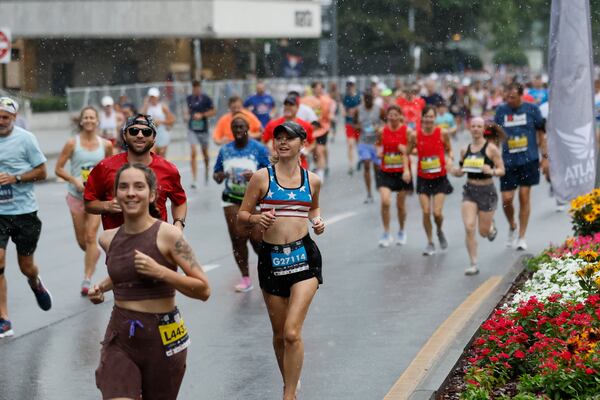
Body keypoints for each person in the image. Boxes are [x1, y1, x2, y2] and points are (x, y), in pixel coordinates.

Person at [88, 163, 210, 399]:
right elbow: (126, 271)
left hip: (162, 337)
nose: (131, 192)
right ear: (116, 194)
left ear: (152, 194)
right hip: (120, 337)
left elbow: (204, 289)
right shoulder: (108, 238)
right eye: (123, 187)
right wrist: (101, 288)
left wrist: (161, 272)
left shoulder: (168, 235)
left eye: (139, 186)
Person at [238, 120, 325, 400]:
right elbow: (242, 216)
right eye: (279, 138)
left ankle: (289, 395)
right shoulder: (262, 178)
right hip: (271, 259)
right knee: (278, 335)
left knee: (291, 332)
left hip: (304, 260)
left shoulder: (312, 180)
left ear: (303, 143)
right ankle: (290, 381)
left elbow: (314, 207)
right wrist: (256, 218)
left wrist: (317, 221)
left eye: (290, 138)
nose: (283, 142)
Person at [0, 97, 52, 338]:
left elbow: (43, 171)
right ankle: (4, 319)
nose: (1, 121)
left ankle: (35, 283)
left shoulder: (25, 139)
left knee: (26, 266)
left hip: (24, 213)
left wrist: (16, 178)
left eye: (5, 118)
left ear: (14, 118)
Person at [84, 114, 187, 231]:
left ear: (154, 137)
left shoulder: (168, 170)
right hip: (118, 245)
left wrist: (178, 224)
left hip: (157, 244)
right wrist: (107, 206)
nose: (139, 135)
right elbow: (89, 203)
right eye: (133, 131)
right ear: (124, 135)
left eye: (146, 132)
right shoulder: (105, 167)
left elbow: (180, 201)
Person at [54, 106, 113, 295]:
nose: (88, 120)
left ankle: (87, 279)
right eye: (85, 117)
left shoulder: (106, 145)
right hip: (76, 196)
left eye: (92, 117)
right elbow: (58, 169)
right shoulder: (72, 143)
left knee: (90, 237)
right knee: (83, 242)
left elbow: (110, 170)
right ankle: (93, 253)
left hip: (96, 198)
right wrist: (74, 179)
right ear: (81, 121)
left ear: (97, 121)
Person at [214, 114, 270, 292]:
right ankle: (246, 278)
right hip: (231, 199)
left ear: (248, 129)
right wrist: (220, 175)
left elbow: (269, 175)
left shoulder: (259, 149)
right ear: (231, 130)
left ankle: (268, 271)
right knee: (238, 237)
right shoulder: (225, 150)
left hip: (255, 200)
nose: (238, 130)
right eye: (235, 127)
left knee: (257, 239)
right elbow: (216, 175)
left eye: (241, 127)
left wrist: (254, 177)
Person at [494, 83, 547, 251]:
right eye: (507, 97)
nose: (509, 100)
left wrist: (544, 156)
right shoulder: (501, 111)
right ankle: (512, 225)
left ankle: (522, 236)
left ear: (520, 96)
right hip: (508, 161)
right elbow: (495, 135)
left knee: (524, 196)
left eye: (513, 97)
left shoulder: (532, 109)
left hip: (528, 159)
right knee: (507, 199)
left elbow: (541, 132)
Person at [451, 117, 505, 275]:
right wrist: (455, 171)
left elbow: (502, 170)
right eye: (473, 126)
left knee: (483, 232)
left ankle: (490, 227)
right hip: (470, 190)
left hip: (487, 190)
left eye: (478, 126)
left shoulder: (491, 149)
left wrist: (492, 171)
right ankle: (473, 263)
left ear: (483, 129)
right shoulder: (464, 149)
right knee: (469, 227)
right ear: (469, 128)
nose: (475, 129)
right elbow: (461, 170)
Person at [407, 106, 454, 256]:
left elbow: (449, 149)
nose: (428, 119)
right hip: (423, 179)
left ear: (435, 118)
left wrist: (450, 159)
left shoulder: (442, 133)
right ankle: (430, 242)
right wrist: (407, 167)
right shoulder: (415, 135)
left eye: (431, 116)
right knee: (426, 212)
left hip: (440, 178)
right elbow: (408, 152)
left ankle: (439, 230)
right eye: (425, 116)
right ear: (422, 118)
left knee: (437, 213)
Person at [376, 106, 413, 247]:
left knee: (400, 206)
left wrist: (406, 151)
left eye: (395, 115)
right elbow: (378, 144)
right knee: (385, 201)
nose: (392, 117)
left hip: (402, 172)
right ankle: (386, 232)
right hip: (385, 171)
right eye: (390, 115)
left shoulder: (407, 131)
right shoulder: (382, 131)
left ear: (400, 116)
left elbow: (411, 150)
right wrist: (379, 152)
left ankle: (402, 231)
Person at [262, 94, 315, 170]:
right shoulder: (272, 124)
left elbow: (313, 142)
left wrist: (307, 150)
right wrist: (271, 151)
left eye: (291, 105)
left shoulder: (305, 125)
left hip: (299, 166)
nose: (288, 107)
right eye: (286, 104)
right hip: (277, 165)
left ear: (297, 107)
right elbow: (264, 141)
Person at [301, 81, 334, 180]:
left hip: (322, 129)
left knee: (320, 150)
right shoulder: (306, 100)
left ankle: (321, 174)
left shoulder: (327, 100)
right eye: (317, 88)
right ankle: (317, 168)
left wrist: (331, 119)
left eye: (320, 88)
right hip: (311, 130)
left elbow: (330, 114)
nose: (318, 90)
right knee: (314, 152)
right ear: (313, 89)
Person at [356, 92, 385, 204]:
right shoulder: (359, 110)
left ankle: (378, 182)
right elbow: (354, 123)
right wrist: (358, 127)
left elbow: (385, 122)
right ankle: (369, 193)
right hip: (364, 142)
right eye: (366, 99)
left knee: (377, 167)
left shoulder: (379, 109)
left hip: (376, 143)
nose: (368, 101)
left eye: (370, 99)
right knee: (367, 164)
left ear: (373, 99)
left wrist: (379, 128)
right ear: (364, 99)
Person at [186, 80, 216, 187]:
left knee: (205, 154)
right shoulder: (189, 98)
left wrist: (202, 115)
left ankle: (207, 171)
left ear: (200, 88)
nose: (196, 91)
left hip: (203, 129)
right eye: (194, 89)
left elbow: (213, 111)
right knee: (193, 152)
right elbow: (187, 111)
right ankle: (194, 179)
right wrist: (186, 115)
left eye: (198, 88)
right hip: (192, 129)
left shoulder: (206, 99)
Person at [141, 87, 176, 157]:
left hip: (162, 132)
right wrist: (145, 104)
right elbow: (140, 117)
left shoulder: (162, 106)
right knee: (152, 155)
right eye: (151, 97)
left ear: (157, 97)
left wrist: (160, 122)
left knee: (162, 156)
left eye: (154, 97)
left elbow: (172, 119)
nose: (153, 99)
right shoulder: (147, 107)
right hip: (151, 134)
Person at [342, 77, 361, 175]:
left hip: (358, 124)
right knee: (350, 144)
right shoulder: (345, 97)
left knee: (358, 144)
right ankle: (351, 165)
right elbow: (343, 109)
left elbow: (362, 107)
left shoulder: (359, 96)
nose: (350, 86)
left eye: (351, 84)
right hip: (349, 123)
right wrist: (346, 112)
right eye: (348, 85)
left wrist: (355, 110)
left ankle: (360, 159)